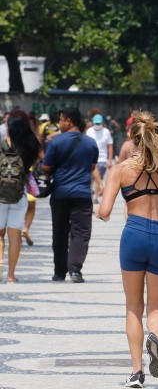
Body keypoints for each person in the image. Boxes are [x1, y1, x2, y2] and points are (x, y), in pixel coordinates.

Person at [95, 111, 158, 388]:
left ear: (131, 138)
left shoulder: (121, 169)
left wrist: (100, 213)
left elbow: (105, 211)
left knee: (133, 306)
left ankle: (137, 371)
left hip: (134, 235)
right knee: (157, 306)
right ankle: (154, 334)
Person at [42, 108, 100, 283]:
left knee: (59, 232)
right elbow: (92, 166)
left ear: (68, 121)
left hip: (60, 193)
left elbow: (46, 167)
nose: (59, 123)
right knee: (80, 232)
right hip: (82, 193)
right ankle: (75, 270)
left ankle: (59, 272)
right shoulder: (91, 143)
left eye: (61, 120)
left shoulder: (56, 142)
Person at [0, 111, 41, 283]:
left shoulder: (1, 144)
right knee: (14, 235)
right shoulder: (31, 145)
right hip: (19, 195)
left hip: (0, 195)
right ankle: (11, 275)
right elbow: (32, 166)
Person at [86, 113, 115, 203]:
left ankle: (95, 197)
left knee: (98, 179)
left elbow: (110, 146)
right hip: (90, 159)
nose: (97, 125)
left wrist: (110, 160)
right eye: (96, 123)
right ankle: (89, 195)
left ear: (102, 123)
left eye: (99, 124)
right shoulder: (89, 131)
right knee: (90, 178)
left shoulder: (106, 131)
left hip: (102, 159)